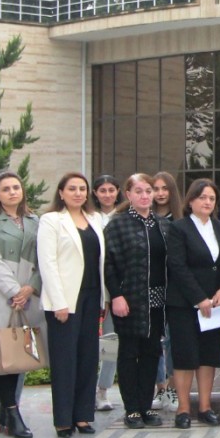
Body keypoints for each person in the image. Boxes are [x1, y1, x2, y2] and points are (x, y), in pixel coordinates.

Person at [0, 170, 43, 438]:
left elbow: (43, 258)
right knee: (2, 353)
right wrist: (15, 291)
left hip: (27, 292)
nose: (13, 192)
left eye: (16, 187)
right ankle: (12, 411)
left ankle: (6, 411)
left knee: (18, 352)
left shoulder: (34, 221)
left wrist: (31, 287)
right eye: (6, 189)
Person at [37, 172, 106, 438]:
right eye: (72, 189)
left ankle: (83, 416)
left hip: (92, 296)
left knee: (88, 357)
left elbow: (100, 261)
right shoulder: (52, 220)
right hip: (65, 301)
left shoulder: (95, 219)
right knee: (65, 360)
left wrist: (104, 299)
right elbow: (48, 263)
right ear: (61, 192)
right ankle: (63, 419)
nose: (78, 193)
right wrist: (59, 302)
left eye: (82, 189)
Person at [103, 173, 172, 430]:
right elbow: (109, 265)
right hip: (130, 298)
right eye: (139, 191)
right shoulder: (117, 224)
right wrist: (116, 295)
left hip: (158, 299)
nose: (145, 196)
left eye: (149, 191)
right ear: (129, 195)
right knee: (130, 352)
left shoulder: (163, 225)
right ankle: (131, 409)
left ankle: (146, 406)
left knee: (152, 352)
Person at [165, 179, 220, 428]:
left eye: (212, 198)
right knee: (185, 356)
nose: (207, 202)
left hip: (215, 306)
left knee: (208, 356)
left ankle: (205, 406)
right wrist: (199, 298)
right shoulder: (179, 228)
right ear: (191, 200)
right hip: (184, 304)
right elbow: (178, 266)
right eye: (202, 197)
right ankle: (183, 409)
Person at [149, 171, 182, 411]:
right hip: (150, 287)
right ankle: (159, 387)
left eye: (164, 189)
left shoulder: (180, 221)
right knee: (153, 339)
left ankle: (171, 387)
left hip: (175, 288)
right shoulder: (143, 219)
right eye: (156, 189)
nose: (160, 193)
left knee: (171, 339)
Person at [90, 174, 120, 413]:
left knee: (111, 342)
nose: (107, 194)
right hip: (92, 287)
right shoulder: (89, 217)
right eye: (103, 190)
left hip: (115, 289)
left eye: (111, 190)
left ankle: (103, 390)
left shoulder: (122, 217)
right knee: (89, 343)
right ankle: (87, 389)